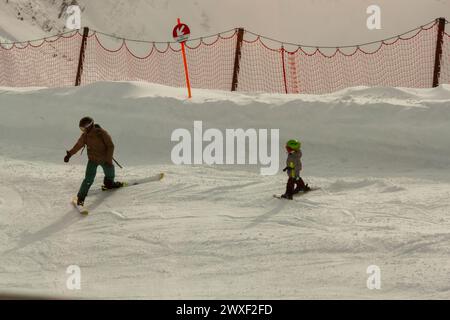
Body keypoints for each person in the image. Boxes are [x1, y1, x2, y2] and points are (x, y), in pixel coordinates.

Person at [64, 116, 123, 206]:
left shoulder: (102, 133)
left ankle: (109, 184)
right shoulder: (85, 136)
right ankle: (80, 198)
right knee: (88, 179)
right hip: (92, 160)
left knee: (110, 171)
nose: (82, 130)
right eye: (81, 128)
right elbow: (78, 145)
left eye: (83, 128)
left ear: (89, 126)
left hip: (104, 159)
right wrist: (70, 154)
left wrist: (108, 159)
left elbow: (110, 146)